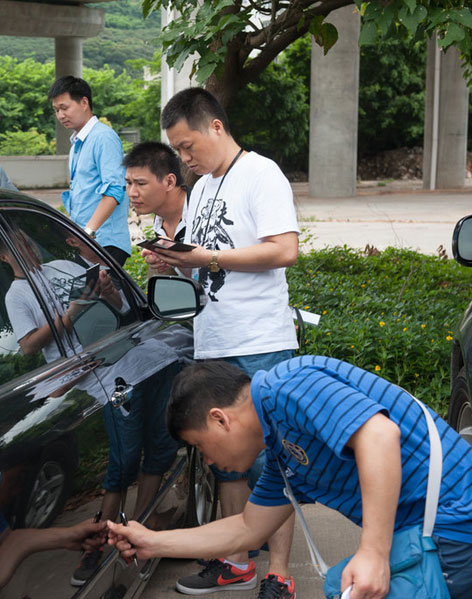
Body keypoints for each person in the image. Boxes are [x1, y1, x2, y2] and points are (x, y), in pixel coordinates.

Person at [108, 356, 472, 599]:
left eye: (200, 447)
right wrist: (154, 541)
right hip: (460, 538)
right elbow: (247, 528)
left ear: (219, 419)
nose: (207, 458)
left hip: (471, 530)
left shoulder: (286, 385)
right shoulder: (280, 451)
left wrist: (372, 552)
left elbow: (378, 434)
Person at [139, 87, 300, 596]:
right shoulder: (203, 188)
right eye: (177, 150)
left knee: (272, 459)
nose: (183, 159)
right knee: (224, 460)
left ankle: (279, 572)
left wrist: (204, 258)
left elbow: (284, 250)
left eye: (187, 147)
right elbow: (203, 259)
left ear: (214, 126)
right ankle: (236, 561)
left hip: (258, 339)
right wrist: (170, 260)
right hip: (212, 340)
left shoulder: (261, 173)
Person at [48, 76, 130, 267]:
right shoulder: (78, 141)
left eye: (64, 108)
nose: (60, 115)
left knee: (94, 296)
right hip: (88, 242)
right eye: (56, 110)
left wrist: (88, 232)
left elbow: (115, 190)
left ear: (84, 102)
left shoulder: (103, 138)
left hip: (104, 242)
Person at [123, 141, 188, 276]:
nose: (132, 193)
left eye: (141, 183)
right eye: (129, 183)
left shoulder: (205, 210)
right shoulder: (159, 222)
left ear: (169, 182)